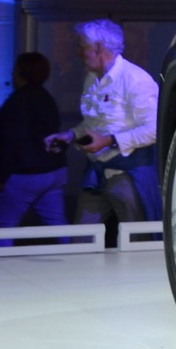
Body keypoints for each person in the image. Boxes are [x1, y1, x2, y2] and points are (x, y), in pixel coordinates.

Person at [46, 19, 160, 231]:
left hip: (129, 175)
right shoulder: (92, 78)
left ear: (98, 48)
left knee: (136, 240)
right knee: (82, 239)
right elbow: (94, 123)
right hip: (96, 173)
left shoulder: (136, 79)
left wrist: (109, 141)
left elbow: (154, 130)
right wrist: (70, 135)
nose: (77, 53)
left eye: (81, 47)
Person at [0, 51, 68, 245]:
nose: (12, 75)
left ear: (21, 72)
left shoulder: (17, 102)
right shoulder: (47, 99)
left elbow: (11, 141)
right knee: (59, 225)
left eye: (14, 70)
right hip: (54, 171)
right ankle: (76, 260)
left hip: (25, 174)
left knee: (3, 228)